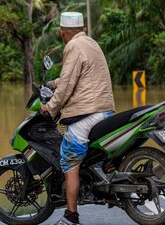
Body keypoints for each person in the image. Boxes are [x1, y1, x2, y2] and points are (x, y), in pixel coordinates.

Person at [40, 12, 115, 225]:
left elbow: (67, 87)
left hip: (87, 113)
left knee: (69, 157)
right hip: (104, 109)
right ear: (83, 29)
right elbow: (74, 77)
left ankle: (71, 216)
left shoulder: (72, 46)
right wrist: (54, 83)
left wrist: (49, 107)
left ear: (62, 32)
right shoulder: (91, 43)